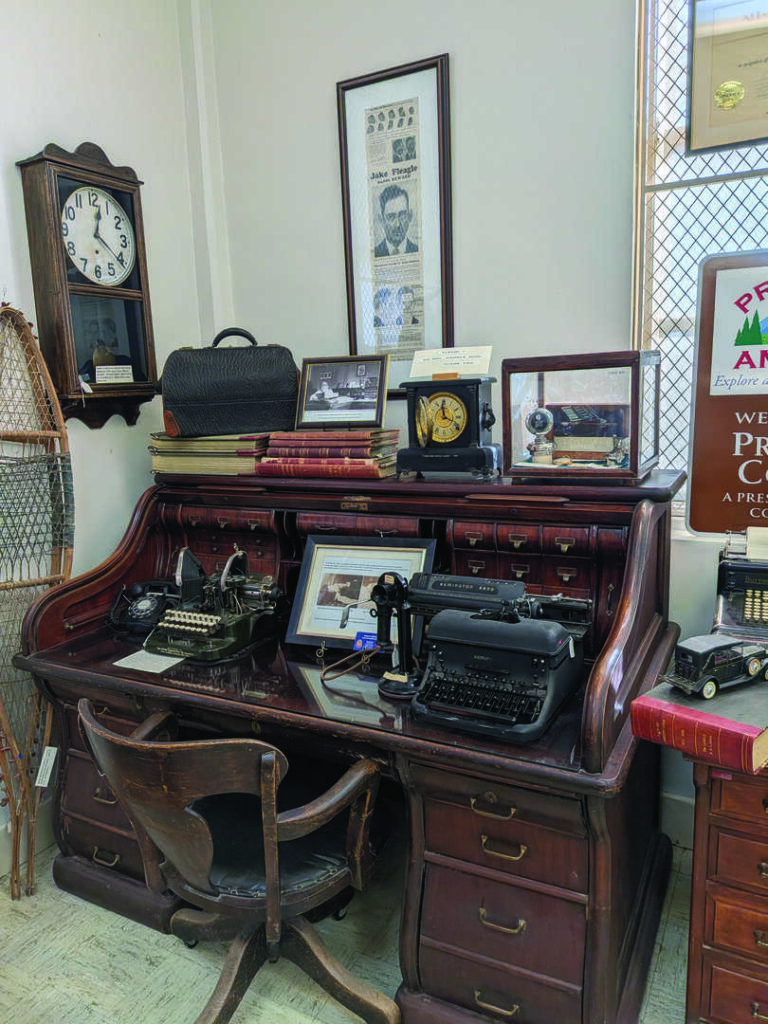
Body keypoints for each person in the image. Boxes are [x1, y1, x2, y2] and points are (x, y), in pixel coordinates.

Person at [374, 185, 418, 257]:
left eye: (402, 215)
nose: (397, 224)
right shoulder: (375, 254)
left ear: (409, 216)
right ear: (381, 220)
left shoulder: (417, 250)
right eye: (391, 217)